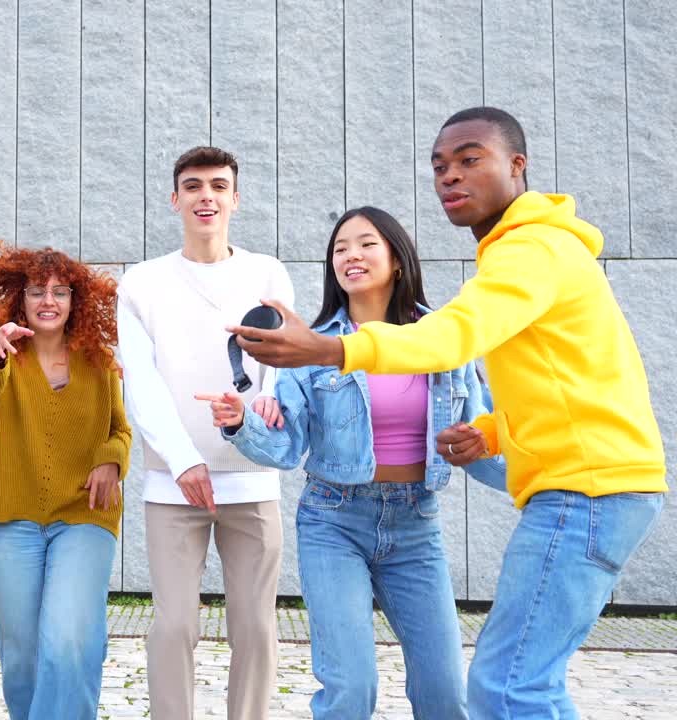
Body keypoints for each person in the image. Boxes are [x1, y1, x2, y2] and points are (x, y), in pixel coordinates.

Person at [232, 107, 667, 719]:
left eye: (470, 159)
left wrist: (334, 351)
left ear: (518, 166)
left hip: (579, 493)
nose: (450, 176)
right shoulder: (527, 252)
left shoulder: (529, 249)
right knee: (513, 683)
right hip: (350, 514)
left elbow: (455, 336)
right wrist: (487, 434)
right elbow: (559, 384)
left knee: (500, 689)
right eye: (439, 166)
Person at [202, 207, 505, 719]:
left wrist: (542, 479)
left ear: (397, 258)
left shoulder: (443, 338)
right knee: (350, 688)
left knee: (445, 691)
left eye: (366, 244)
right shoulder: (315, 346)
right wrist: (241, 423)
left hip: (417, 523)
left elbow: (478, 443)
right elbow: (286, 447)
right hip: (334, 522)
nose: (351, 255)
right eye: (340, 248)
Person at [117, 146, 294, 720]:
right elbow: (141, 381)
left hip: (252, 480)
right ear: (175, 200)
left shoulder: (268, 274)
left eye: (219, 186)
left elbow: (282, 365)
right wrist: (182, 459)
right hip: (173, 486)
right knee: (173, 626)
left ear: (235, 199)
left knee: (256, 628)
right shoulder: (141, 282)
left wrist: (264, 404)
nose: (206, 197)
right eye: (193, 186)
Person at [0, 244, 132, 720]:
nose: (48, 300)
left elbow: (120, 430)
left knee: (70, 638)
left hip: (84, 516)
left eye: (60, 291)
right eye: (37, 291)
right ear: (22, 299)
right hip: (9, 520)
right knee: (22, 656)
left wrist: (111, 461)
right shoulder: (3, 353)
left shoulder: (99, 362)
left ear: (75, 301)